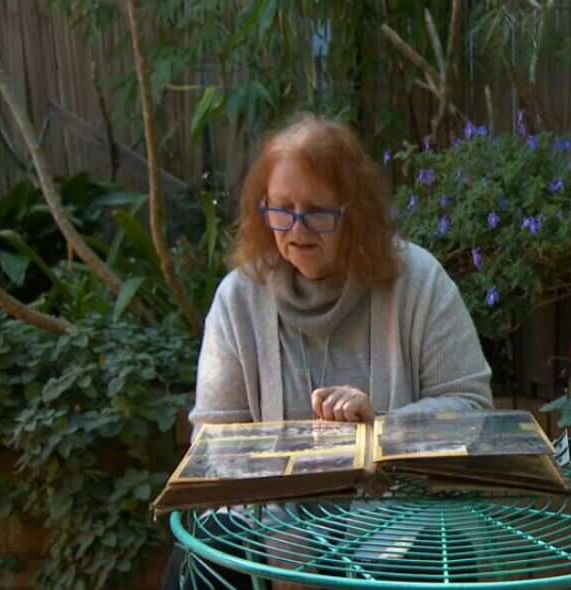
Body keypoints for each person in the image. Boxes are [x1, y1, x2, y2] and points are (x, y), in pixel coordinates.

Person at [161, 114, 493, 590]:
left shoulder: (419, 281)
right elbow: (213, 444)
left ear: (354, 214)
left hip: (402, 513)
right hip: (269, 522)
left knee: (431, 562)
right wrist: (285, 524)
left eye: (317, 211)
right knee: (198, 566)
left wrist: (380, 428)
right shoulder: (237, 299)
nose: (296, 230)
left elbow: (472, 411)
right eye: (281, 209)